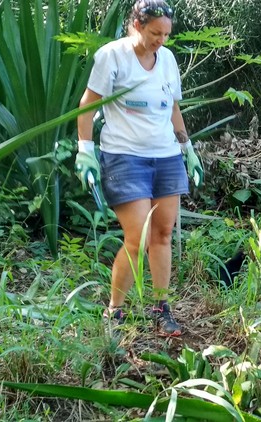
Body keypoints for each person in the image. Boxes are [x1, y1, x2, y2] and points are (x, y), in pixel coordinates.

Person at [75, 0, 203, 337]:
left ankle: (161, 308)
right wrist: (85, 150)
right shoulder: (112, 55)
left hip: (166, 157)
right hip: (124, 157)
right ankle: (115, 311)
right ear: (137, 24)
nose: (160, 40)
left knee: (162, 234)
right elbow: (88, 105)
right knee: (138, 236)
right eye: (154, 32)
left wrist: (186, 147)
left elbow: (172, 107)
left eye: (166, 34)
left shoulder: (169, 60)